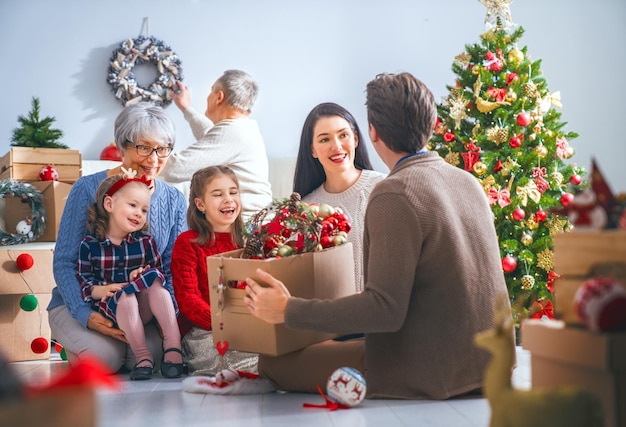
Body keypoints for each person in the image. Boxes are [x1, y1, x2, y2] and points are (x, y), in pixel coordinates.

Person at [243, 72, 512, 400]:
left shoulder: (392, 192)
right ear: (433, 121)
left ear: (369, 133)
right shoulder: (466, 180)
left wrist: (289, 309)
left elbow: (385, 309)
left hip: (433, 369)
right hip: (491, 362)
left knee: (272, 362)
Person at [48, 103, 187, 373]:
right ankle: (77, 339)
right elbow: (65, 261)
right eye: (143, 148)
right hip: (84, 301)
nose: (153, 159)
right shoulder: (86, 189)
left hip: (140, 305)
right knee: (105, 361)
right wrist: (84, 315)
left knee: (152, 358)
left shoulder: (173, 199)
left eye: (162, 149)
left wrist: (165, 316)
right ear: (122, 146)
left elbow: (173, 266)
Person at [77, 171, 183, 380]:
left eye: (144, 209)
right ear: (109, 204)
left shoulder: (145, 242)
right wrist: (102, 290)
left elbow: (160, 273)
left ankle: (173, 344)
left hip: (142, 310)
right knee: (124, 295)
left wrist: (142, 274)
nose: (139, 213)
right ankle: (143, 356)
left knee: (153, 279)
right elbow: (84, 282)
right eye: (132, 205)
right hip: (112, 310)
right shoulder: (90, 245)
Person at [171, 165, 258, 375]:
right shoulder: (188, 243)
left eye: (233, 192)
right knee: (235, 356)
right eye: (218, 194)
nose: (228, 199)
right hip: (203, 330)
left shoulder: (251, 241)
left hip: (247, 326)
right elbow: (188, 300)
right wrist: (224, 324)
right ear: (200, 204)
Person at [293, 102, 386, 292]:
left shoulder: (385, 188)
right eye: (324, 139)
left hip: (386, 315)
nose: (336, 146)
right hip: (332, 316)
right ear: (312, 150)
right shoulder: (306, 209)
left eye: (343, 135)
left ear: (356, 139)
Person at [161, 69, 272, 220]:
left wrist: (139, 157)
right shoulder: (244, 128)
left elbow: (174, 169)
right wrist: (186, 108)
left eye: (211, 91)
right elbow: (210, 134)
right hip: (249, 221)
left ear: (219, 97)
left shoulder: (233, 132)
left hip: (245, 227)